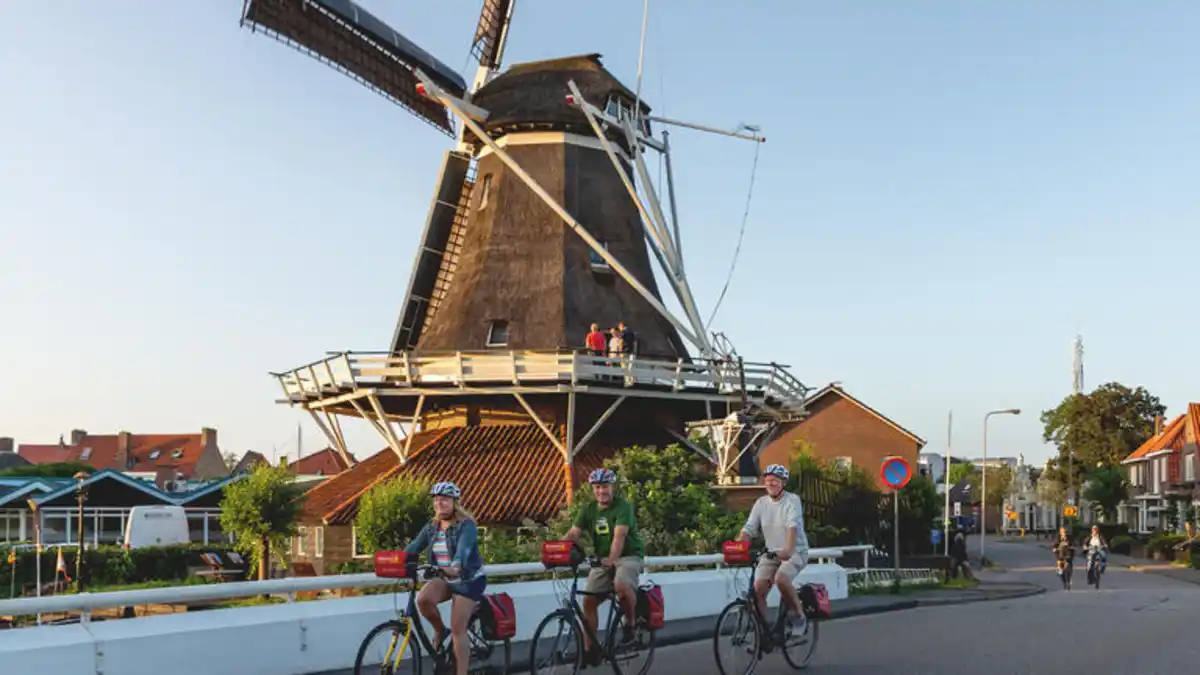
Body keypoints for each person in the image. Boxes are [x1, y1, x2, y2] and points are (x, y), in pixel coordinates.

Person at [404, 482, 485, 675]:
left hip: (468, 579)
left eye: (445, 500)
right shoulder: (432, 527)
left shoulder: (466, 525)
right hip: (443, 576)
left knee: (458, 629)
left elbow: (464, 550)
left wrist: (455, 566)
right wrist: (395, 560)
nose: (439, 504)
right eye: (436, 500)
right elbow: (413, 547)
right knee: (423, 600)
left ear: (455, 503)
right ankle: (440, 630)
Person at [566, 468, 645, 662]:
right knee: (588, 601)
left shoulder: (623, 506)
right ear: (593, 489)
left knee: (621, 586)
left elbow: (619, 536)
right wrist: (557, 549)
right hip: (603, 559)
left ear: (612, 487)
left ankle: (631, 624)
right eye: (598, 487)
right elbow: (573, 533)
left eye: (605, 487)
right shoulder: (588, 509)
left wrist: (611, 560)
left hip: (628, 556)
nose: (601, 491)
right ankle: (590, 650)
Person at [735, 464, 808, 628]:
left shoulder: (792, 500)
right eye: (768, 480)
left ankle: (798, 615)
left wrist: (788, 550)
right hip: (771, 553)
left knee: (781, 579)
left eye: (775, 480)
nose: (771, 484)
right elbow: (749, 528)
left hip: (795, 552)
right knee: (758, 590)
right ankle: (764, 631)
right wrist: (736, 549)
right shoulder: (761, 503)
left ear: (784, 483)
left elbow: (793, 526)